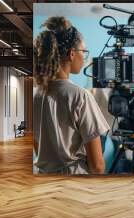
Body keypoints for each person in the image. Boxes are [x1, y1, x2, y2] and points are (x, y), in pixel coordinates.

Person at [33, 16, 109, 175]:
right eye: (84, 51)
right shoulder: (80, 96)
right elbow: (97, 165)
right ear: (72, 53)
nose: (85, 57)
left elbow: (38, 146)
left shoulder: (35, 94)